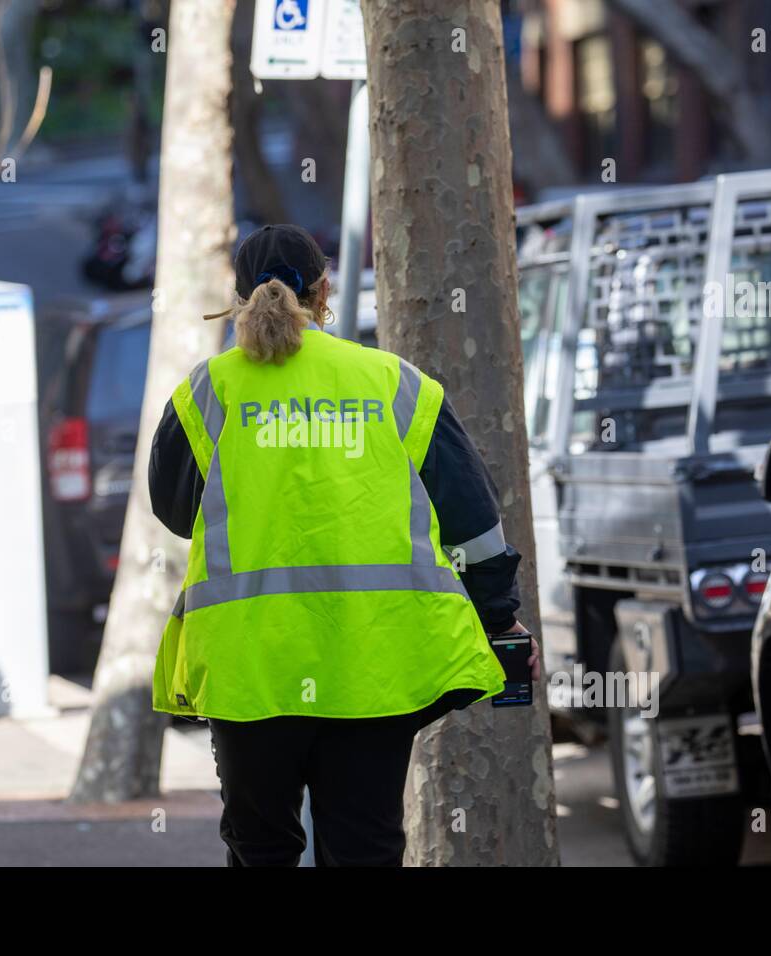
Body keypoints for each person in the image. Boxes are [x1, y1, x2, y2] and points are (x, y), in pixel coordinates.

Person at [147, 225, 539, 866]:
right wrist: (499, 619)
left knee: (260, 847)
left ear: (240, 296)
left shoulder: (206, 392)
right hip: (372, 664)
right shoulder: (393, 382)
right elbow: (472, 522)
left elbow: (174, 509)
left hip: (250, 668)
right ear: (324, 291)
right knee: (365, 846)